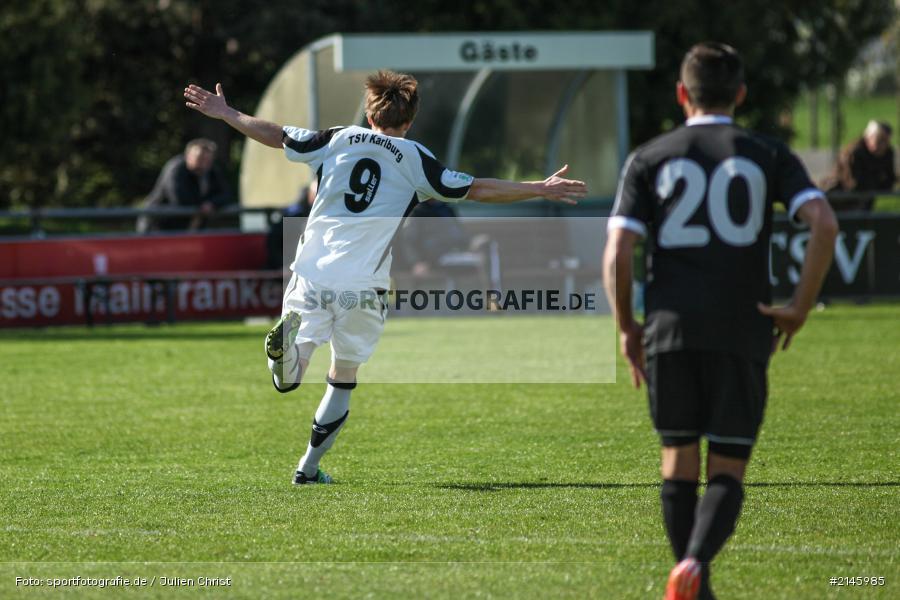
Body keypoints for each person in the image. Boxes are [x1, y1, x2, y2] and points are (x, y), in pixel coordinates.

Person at [184, 71, 586, 485]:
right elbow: (478, 189)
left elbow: (276, 134)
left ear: (369, 115)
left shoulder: (337, 138)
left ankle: (287, 356)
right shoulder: (415, 158)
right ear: (408, 121)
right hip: (364, 283)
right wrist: (539, 188)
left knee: (293, 373)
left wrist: (228, 113)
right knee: (343, 376)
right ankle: (306, 468)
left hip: (313, 270)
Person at [603, 43, 838, 600]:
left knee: (678, 460)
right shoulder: (767, 153)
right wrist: (800, 308)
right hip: (743, 326)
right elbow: (823, 223)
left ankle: (690, 576)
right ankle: (695, 568)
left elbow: (617, 250)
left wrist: (627, 328)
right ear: (740, 95)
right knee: (728, 465)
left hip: (669, 327)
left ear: (682, 94)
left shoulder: (650, 156)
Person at [137, 138, 233, 232]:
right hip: (158, 225)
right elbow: (179, 199)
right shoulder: (176, 169)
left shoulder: (211, 171)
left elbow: (226, 194)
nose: (204, 164)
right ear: (188, 156)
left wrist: (212, 204)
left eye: (208, 159)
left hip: (187, 227)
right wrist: (203, 206)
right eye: (200, 158)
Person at [823, 120, 896, 210]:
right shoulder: (854, 153)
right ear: (868, 137)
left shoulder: (887, 153)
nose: (883, 145)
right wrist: (877, 181)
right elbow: (854, 184)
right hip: (839, 198)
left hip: (865, 199)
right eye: (880, 140)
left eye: (886, 141)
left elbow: (889, 181)